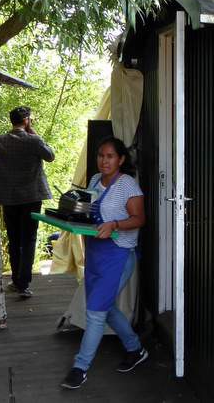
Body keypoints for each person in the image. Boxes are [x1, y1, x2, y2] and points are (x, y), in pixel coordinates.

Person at [61, 137, 148, 390]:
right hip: (96, 253)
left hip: (119, 255)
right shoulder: (94, 181)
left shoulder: (128, 185)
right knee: (106, 308)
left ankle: (80, 367)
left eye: (110, 156)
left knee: (97, 312)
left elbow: (139, 219)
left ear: (120, 159)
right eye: (101, 155)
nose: (104, 160)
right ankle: (135, 349)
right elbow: (90, 214)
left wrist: (115, 225)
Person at [0, 106, 55, 299]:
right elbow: (50, 156)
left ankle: (16, 279)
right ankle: (24, 283)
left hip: (8, 197)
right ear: (27, 120)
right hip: (31, 196)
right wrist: (35, 133)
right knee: (29, 239)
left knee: (14, 239)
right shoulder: (34, 140)